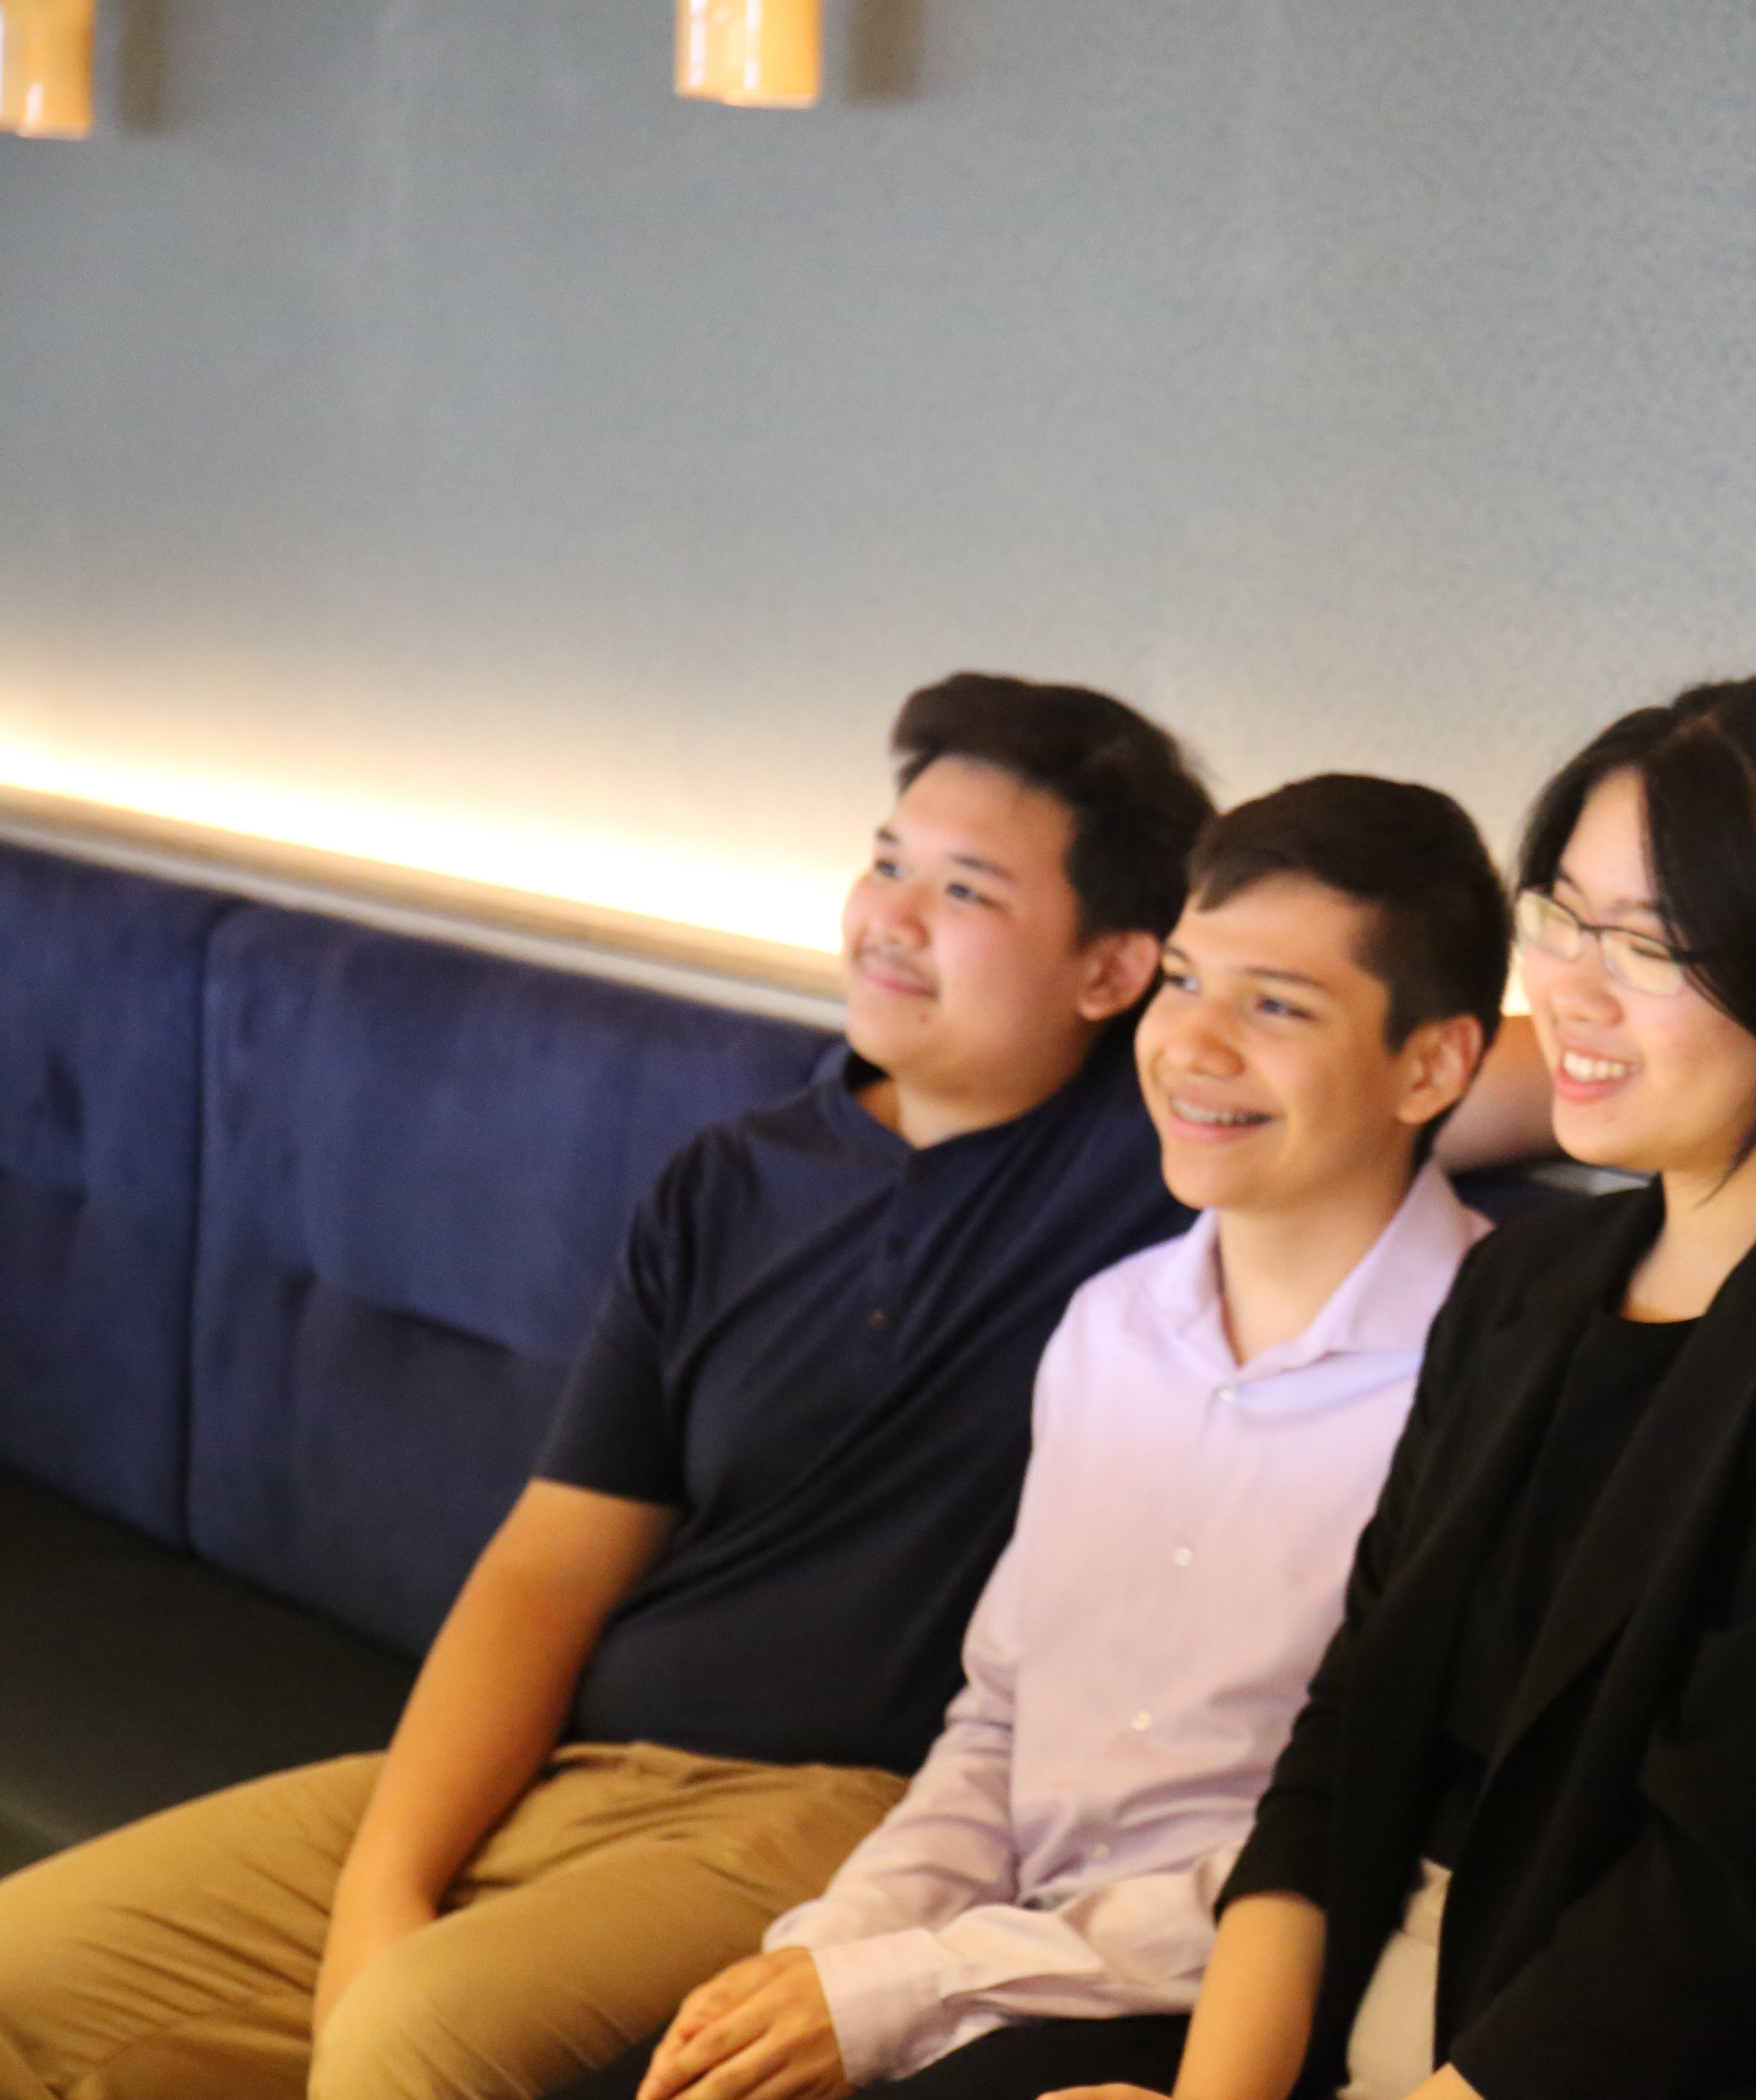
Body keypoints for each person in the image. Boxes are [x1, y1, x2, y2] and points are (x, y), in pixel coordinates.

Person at [0, 676, 1216, 2100]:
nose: (890, 915)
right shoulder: (734, 1180)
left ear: (1114, 971)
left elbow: (1440, 1060)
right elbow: (550, 1569)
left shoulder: (1161, 1171)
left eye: (966, 890)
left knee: (411, 2041)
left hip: (843, 1812)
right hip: (581, 1769)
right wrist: (389, 1886)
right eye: (886, 861)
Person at [1055, 675, 1756, 2100]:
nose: (1568, 989)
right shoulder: (1529, 1282)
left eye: (1650, 944)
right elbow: (1344, 1736)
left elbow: (1723, 1897)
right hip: (1334, 2013)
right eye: (1563, 919)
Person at [544, 776, 1512, 2100]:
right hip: (989, 1952)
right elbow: (997, 1725)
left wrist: (910, 1988)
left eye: (1277, 1006)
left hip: (1217, 2010)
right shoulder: (1109, 1325)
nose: (1195, 1047)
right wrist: (834, 1955)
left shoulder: (1495, 1379)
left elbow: (1370, 1843)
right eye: (1183, 982)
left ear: (1436, 1065)